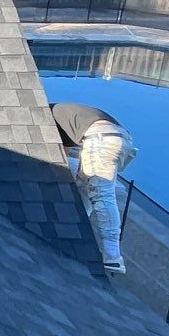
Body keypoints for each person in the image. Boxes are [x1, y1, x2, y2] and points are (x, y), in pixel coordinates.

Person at [51, 100, 136, 275]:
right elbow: (68, 155)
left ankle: (113, 257)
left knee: (101, 193)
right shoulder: (64, 114)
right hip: (120, 139)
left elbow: (61, 159)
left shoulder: (49, 117)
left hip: (101, 139)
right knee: (84, 185)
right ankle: (77, 228)